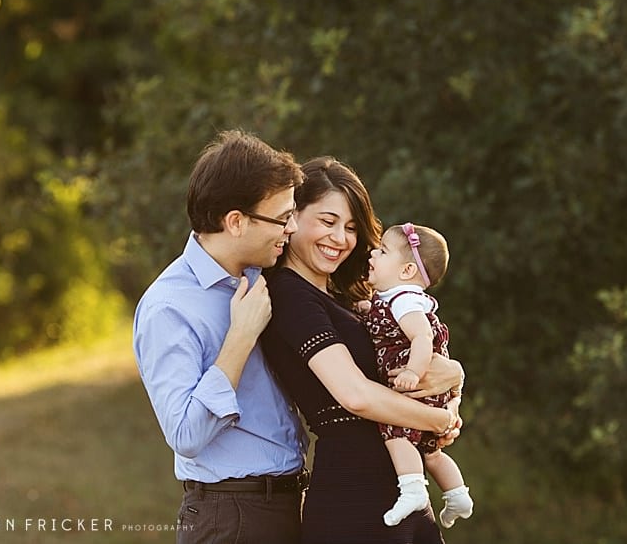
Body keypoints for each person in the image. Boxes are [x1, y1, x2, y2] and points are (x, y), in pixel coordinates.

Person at [261, 156, 466, 544]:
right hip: (354, 497)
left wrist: (454, 378)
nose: (340, 238)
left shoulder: (346, 299)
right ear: (293, 217)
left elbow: (417, 356)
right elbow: (355, 395)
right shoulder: (290, 295)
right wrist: (435, 421)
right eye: (327, 221)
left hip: (400, 488)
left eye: (351, 227)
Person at [132, 130, 309, 544]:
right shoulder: (168, 307)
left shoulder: (263, 277)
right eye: (283, 218)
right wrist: (240, 339)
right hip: (231, 518)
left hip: (288, 503)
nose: (293, 227)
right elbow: (185, 435)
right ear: (235, 221)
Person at [365, 223, 474, 528]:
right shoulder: (397, 298)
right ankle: (457, 494)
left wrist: (413, 371)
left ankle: (412, 488)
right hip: (432, 388)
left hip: (416, 382)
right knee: (431, 451)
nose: (373, 253)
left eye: (383, 251)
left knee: (395, 431)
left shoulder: (404, 300)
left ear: (407, 270)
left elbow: (422, 337)